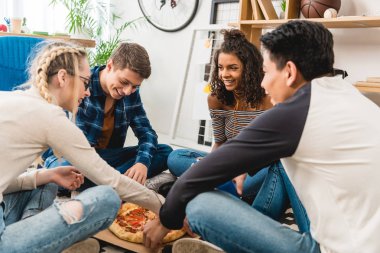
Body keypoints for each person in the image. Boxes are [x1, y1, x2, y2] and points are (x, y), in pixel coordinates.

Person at [143, 20, 380, 253]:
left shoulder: (297, 112)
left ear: (289, 72)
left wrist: (166, 220)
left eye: (266, 72)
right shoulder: (349, 94)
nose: (264, 83)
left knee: (198, 204)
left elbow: (195, 178)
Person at [0, 40, 163, 253]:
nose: (86, 92)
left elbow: (6, 182)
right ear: (62, 77)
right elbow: (111, 180)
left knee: (47, 180)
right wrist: (167, 208)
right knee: (107, 197)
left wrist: (47, 176)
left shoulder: (10, 97)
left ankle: (35, 232)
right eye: (85, 82)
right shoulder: (50, 116)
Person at [167, 29, 280, 203]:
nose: (224, 74)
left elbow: (272, 151)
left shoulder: (268, 99)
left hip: (256, 168)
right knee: (175, 157)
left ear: (249, 69)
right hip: (226, 163)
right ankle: (222, 189)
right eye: (221, 68)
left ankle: (208, 187)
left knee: (268, 175)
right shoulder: (215, 99)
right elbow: (220, 142)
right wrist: (211, 167)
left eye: (232, 68)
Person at [44, 42, 173, 188]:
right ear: (110, 65)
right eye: (124, 82)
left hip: (107, 157)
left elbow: (147, 133)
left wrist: (142, 163)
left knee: (164, 151)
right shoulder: (83, 84)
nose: (127, 91)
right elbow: (71, 147)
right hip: (77, 157)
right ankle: (118, 182)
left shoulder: (131, 93)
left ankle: (109, 183)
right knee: (61, 170)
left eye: (135, 86)